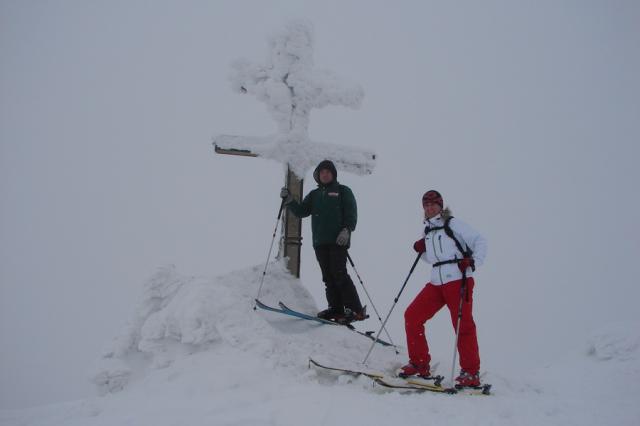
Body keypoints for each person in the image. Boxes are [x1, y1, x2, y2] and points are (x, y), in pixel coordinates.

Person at [401, 190, 487, 387]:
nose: (430, 208)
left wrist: (472, 261)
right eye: (426, 205)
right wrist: (421, 249)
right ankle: (419, 364)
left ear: (441, 206)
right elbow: (432, 259)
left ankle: (471, 373)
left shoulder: (452, 224)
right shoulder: (428, 230)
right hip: (436, 282)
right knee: (412, 316)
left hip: (459, 279)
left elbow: (480, 241)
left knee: (462, 325)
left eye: (434, 204)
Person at [280, 160, 367, 324]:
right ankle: (336, 309)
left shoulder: (343, 191)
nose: (325, 174)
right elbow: (302, 211)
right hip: (320, 242)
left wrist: (347, 230)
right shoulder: (314, 195)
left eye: (328, 172)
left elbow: (351, 212)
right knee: (328, 277)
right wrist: (289, 200)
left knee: (339, 273)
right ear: (318, 176)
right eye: (322, 172)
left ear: (333, 174)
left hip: (338, 241)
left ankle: (355, 310)